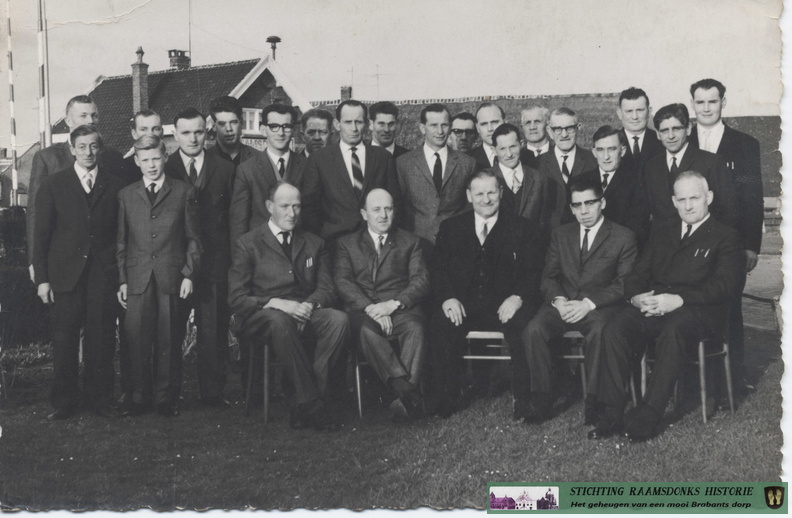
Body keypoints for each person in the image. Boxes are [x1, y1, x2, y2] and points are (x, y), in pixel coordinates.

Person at [595, 171, 744, 441]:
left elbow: (726, 286)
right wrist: (637, 298)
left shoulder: (726, 236)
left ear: (708, 198)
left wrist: (679, 300)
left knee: (675, 329)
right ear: (674, 202)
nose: (688, 206)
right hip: (656, 307)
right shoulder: (663, 232)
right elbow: (637, 275)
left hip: (700, 312)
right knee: (616, 326)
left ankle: (648, 415)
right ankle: (611, 412)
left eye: (695, 198)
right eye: (682, 199)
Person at [228, 182, 349, 431]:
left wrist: (307, 305)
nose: (292, 213)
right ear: (270, 207)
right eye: (284, 206)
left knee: (338, 320)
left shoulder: (314, 242)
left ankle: (304, 402)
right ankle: (313, 404)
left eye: (296, 206)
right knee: (278, 319)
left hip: (304, 311)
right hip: (262, 317)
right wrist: (274, 303)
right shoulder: (248, 243)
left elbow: (327, 288)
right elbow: (236, 297)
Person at [520, 175, 637, 425]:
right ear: (571, 208)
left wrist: (588, 304)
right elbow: (548, 277)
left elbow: (624, 283)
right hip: (563, 304)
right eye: (577, 205)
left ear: (602, 203)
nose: (584, 211)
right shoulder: (561, 234)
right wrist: (560, 301)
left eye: (590, 203)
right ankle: (542, 398)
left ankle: (594, 401)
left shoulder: (623, 236)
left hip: (597, 307)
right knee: (534, 330)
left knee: (600, 331)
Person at [428, 169, 544, 417]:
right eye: (479, 193)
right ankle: (445, 398)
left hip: (504, 305)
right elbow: (438, 270)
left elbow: (532, 271)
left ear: (501, 193)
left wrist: (517, 297)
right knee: (440, 324)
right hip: (464, 305)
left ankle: (523, 401)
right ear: (469, 196)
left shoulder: (522, 227)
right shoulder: (451, 228)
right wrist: (448, 297)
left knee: (522, 326)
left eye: (491, 192)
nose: (486, 199)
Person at [33, 125, 126, 420]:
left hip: (102, 271)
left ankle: (100, 400)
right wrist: (43, 279)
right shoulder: (54, 184)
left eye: (94, 146)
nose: (88, 152)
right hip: (64, 274)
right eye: (82, 146)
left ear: (101, 148)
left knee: (101, 338)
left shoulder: (114, 184)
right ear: (71, 149)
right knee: (65, 338)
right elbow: (41, 234)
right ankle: (64, 402)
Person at [117, 135, 201, 417]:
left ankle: (166, 398)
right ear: (137, 162)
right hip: (137, 278)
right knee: (136, 338)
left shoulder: (183, 192)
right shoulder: (126, 195)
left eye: (156, 158)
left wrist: (188, 274)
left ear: (165, 157)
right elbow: (121, 242)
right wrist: (122, 280)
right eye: (145, 160)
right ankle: (139, 397)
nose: (151, 165)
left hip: (171, 276)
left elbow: (194, 238)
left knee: (168, 339)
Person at [689, 78, 763, 389]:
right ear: (693, 104)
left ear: (723, 103)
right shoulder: (683, 140)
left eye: (712, 101)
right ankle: (693, 378)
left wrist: (751, 246)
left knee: (730, 307)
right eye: (700, 102)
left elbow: (752, 198)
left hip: (730, 244)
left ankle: (734, 376)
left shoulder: (744, 144)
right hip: (691, 245)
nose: (706, 108)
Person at [334, 189, 429, 418]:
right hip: (364, 312)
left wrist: (393, 304)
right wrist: (371, 309)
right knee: (365, 331)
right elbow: (343, 282)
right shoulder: (347, 244)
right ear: (364, 214)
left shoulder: (410, 241)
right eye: (376, 210)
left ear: (394, 212)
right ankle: (406, 391)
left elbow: (421, 280)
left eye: (388, 209)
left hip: (400, 310)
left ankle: (402, 402)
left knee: (416, 328)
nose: (383, 215)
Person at [165, 108, 235, 407]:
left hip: (215, 263)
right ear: (175, 135)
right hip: (176, 263)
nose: (192, 138)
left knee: (213, 329)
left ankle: (212, 393)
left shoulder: (225, 168)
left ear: (207, 132)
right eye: (185, 133)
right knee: (172, 328)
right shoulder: (164, 167)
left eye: (198, 132)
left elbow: (233, 217)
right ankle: (170, 393)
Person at [27, 95, 125, 281]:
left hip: (103, 264)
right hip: (64, 262)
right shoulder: (47, 158)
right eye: (83, 115)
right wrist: (34, 261)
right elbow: (35, 214)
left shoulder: (113, 157)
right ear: (68, 121)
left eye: (94, 115)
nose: (90, 120)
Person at [302, 100, 401, 243]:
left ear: (366, 124)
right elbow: (310, 208)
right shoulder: (319, 159)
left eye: (358, 122)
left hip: (376, 241)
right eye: (348, 122)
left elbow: (395, 202)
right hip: (334, 242)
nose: (354, 128)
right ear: (337, 124)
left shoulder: (382, 157)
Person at [643, 104, 737, 230]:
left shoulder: (712, 163)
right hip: (662, 246)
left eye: (676, 129)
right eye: (664, 130)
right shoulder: (651, 166)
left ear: (688, 129)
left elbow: (728, 213)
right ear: (658, 134)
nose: (670, 136)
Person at [396, 103, 476, 245]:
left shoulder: (467, 163)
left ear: (450, 126)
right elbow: (400, 207)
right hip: (416, 243)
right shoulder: (403, 163)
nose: (440, 131)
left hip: (455, 242)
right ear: (422, 128)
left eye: (444, 125)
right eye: (433, 125)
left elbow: (469, 206)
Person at [231, 104, 306, 247]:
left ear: (293, 130)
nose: (281, 133)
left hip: (298, 247)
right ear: (263, 130)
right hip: (261, 251)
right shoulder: (247, 170)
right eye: (274, 126)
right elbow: (239, 223)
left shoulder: (307, 166)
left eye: (286, 126)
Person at [579, 125, 650, 242]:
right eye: (600, 150)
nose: (606, 157)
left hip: (620, 250)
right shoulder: (582, 181)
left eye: (612, 149)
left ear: (622, 151)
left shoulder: (637, 182)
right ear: (594, 152)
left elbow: (636, 227)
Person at [537, 108, 598, 229]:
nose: (564, 134)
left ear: (578, 128)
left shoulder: (592, 160)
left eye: (569, 128)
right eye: (558, 129)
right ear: (549, 131)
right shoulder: (538, 163)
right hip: (550, 234)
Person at [490, 123, 552, 231]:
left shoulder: (539, 178)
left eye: (513, 146)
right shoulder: (486, 178)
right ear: (494, 150)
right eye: (502, 149)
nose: (509, 154)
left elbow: (544, 220)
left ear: (521, 144)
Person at [617, 87, 663, 171]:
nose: (635, 117)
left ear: (649, 112)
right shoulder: (612, 142)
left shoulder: (661, 141)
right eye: (629, 111)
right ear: (619, 113)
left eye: (640, 110)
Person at [206, 96, 261, 166]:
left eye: (233, 122)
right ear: (214, 126)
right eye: (222, 124)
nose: (229, 129)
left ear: (241, 123)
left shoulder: (258, 158)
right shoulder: (204, 160)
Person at [121, 109, 164, 182]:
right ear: (134, 133)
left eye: (156, 129)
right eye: (143, 129)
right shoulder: (124, 169)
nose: (150, 134)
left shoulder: (172, 166)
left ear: (162, 132)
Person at [470, 102, 505, 170]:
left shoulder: (521, 156)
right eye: (484, 124)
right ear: (477, 128)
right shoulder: (469, 160)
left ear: (504, 123)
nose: (490, 129)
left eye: (494, 122)